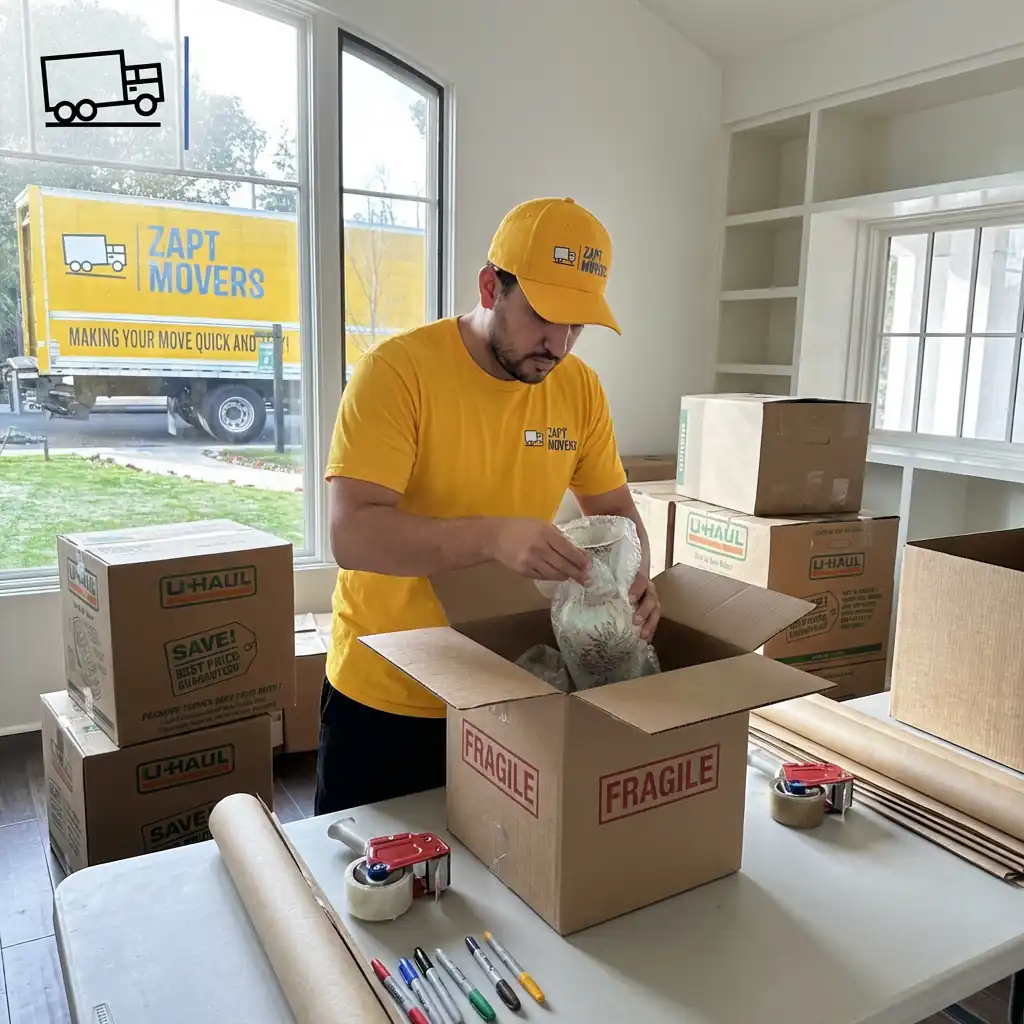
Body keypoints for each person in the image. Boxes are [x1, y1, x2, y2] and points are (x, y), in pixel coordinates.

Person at [316, 197, 661, 815]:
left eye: (577, 325)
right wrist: (491, 538)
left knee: (496, 893)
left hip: (510, 693)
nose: (558, 343)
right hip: (389, 694)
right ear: (489, 287)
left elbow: (615, 511)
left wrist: (637, 578)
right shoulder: (397, 374)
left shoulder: (578, 390)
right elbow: (352, 534)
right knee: (366, 891)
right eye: (543, 316)